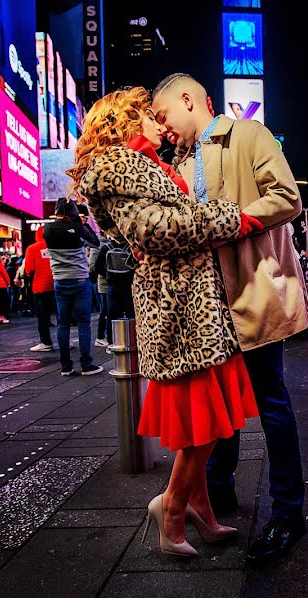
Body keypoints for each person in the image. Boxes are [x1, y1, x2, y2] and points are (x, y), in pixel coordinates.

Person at [68, 86, 262, 557]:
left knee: (213, 420)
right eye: (151, 115)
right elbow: (156, 230)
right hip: (177, 308)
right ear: (129, 121)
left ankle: (200, 508)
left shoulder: (147, 164)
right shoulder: (118, 168)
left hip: (193, 304)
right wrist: (229, 219)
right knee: (205, 425)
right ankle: (172, 509)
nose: (162, 121)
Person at [152, 73, 308, 564]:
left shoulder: (248, 134)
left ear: (188, 99)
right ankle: (216, 495)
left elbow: (287, 197)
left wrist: (232, 222)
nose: (163, 128)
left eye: (164, 117)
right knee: (218, 408)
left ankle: (289, 514)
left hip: (254, 292)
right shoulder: (174, 161)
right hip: (205, 307)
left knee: (271, 404)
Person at [43, 198, 103, 376]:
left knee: (63, 323)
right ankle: (86, 364)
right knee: (84, 323)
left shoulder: (47, 229)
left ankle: (66, 366)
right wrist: (82, 224)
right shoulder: (77, 228)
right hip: (79, 280)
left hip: (60, 281)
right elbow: (95, 243)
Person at [94, 233, 135, 345]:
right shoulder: (130, 247)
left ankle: (112, 341)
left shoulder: (106, 248)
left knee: (112, 314)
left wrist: (108, 275)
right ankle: (132, 339)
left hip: (112, 285)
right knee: (131, 313)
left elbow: (97, 267)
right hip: (127, 284)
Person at [24, 226, 56, 352]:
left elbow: (29, 269)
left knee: (43, 316)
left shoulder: (32, 249)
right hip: (57, 283)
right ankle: (66, 340)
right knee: (62, 315)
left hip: (41, 286)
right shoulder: (56, 246)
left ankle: (46, 342)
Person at [88, 232, 110, 348]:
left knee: (109, 310)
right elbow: (92, 266)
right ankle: (101, 336)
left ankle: (108, 335)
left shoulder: (116, 243)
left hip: (111, 283)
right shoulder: (97, 245)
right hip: (104, 284)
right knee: (105, 311)